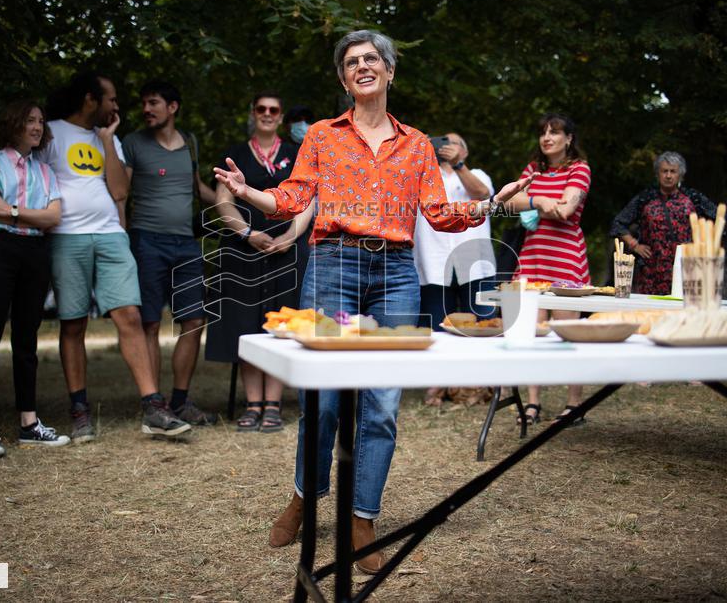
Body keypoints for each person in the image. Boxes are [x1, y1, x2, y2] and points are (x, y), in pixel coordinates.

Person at [214, 30, 535, 571]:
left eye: (371, 59)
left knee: (382, 404)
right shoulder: (320, 135)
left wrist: (485, 209)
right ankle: (304, 495)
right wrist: (247, 193)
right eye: (351, 62)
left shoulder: (416, 144)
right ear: (344, 79)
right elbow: (292, 198)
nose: (362, 66)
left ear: (388, 72)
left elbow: (438, 212)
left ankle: (362, 517)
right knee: (325, 402)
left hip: (395, 273)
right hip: (333, 264)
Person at [38, 72, 189, 441]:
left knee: (131, 317)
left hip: (110, 235)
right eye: (111, 99)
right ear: (91, 99)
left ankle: (153, 407)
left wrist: (106, 141)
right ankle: (79, 411)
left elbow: (120, 191)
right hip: (67, 237)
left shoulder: (111, 139)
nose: (117, 106)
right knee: (73, 324)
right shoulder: (52, 132)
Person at [206, 92, 314, 433]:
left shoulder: (296, 154)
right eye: (261, 109)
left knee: (283, 322)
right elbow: (223, 201)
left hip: (287, 248)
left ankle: (273, 404)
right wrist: (248, 233)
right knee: (245, 323)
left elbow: (309, 201)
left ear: (281, 116)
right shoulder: (236, 153)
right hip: (243, 249)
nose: (267, 114)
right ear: (253, 113)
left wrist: (289, 238)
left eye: (274, 110)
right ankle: (253, 403)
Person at [0, 100, 69, 458]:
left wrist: (12, 212)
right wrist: (29, 215)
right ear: (14, 123)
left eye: (41, 121)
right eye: (30, 120)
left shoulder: (46, 171)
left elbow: (53, 217)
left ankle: (29, 423)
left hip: (35, 254)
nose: (37, 127)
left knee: (27, 341)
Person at [123, 80, 218, 426]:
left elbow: (198, 189)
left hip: (186, 245)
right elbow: (120, 190)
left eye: (153, 103)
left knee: (193, 321)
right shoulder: (132, 143)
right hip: (146, 242)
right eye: (144, 104)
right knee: (149, 323)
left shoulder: (190, 143)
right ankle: (153, 404)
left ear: (172, 107)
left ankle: (180, 401)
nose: (146, 110)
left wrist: (238, 200)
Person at [508, 113, 590, 426]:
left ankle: (574, 404)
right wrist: (540, 199)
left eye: (554, 132)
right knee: (531, 333)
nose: (547, 138)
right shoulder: (533, 170)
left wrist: (533, 201)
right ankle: (532, 403)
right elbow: (510, 200)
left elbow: (568, 209)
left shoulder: (579, 168)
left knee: (569, 335)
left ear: (569, 138)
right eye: (543, 132)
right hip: (532, 257)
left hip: (565, 257)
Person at [414, 132, 496, 406]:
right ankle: (436, 386)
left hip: (475, 261)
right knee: (436, 324)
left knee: (483, 323)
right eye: (441, 142)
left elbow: (483, 195)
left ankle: (484, 383)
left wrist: (459, 166)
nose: (446, 147)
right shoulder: (423, 176)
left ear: (465, 151)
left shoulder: (479, 174)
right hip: (433, 260)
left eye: (454, 143)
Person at [610, 151, 717, 296]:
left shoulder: (693, 198)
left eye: (673, 171)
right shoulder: (645, 198)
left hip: (686, 267)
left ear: (680, 174)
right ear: (657, 174)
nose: (668, 175)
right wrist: (634, 245)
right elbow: (618, 224)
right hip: (651, 270)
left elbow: (718, 219)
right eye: (664, 171)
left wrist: (702, 245)